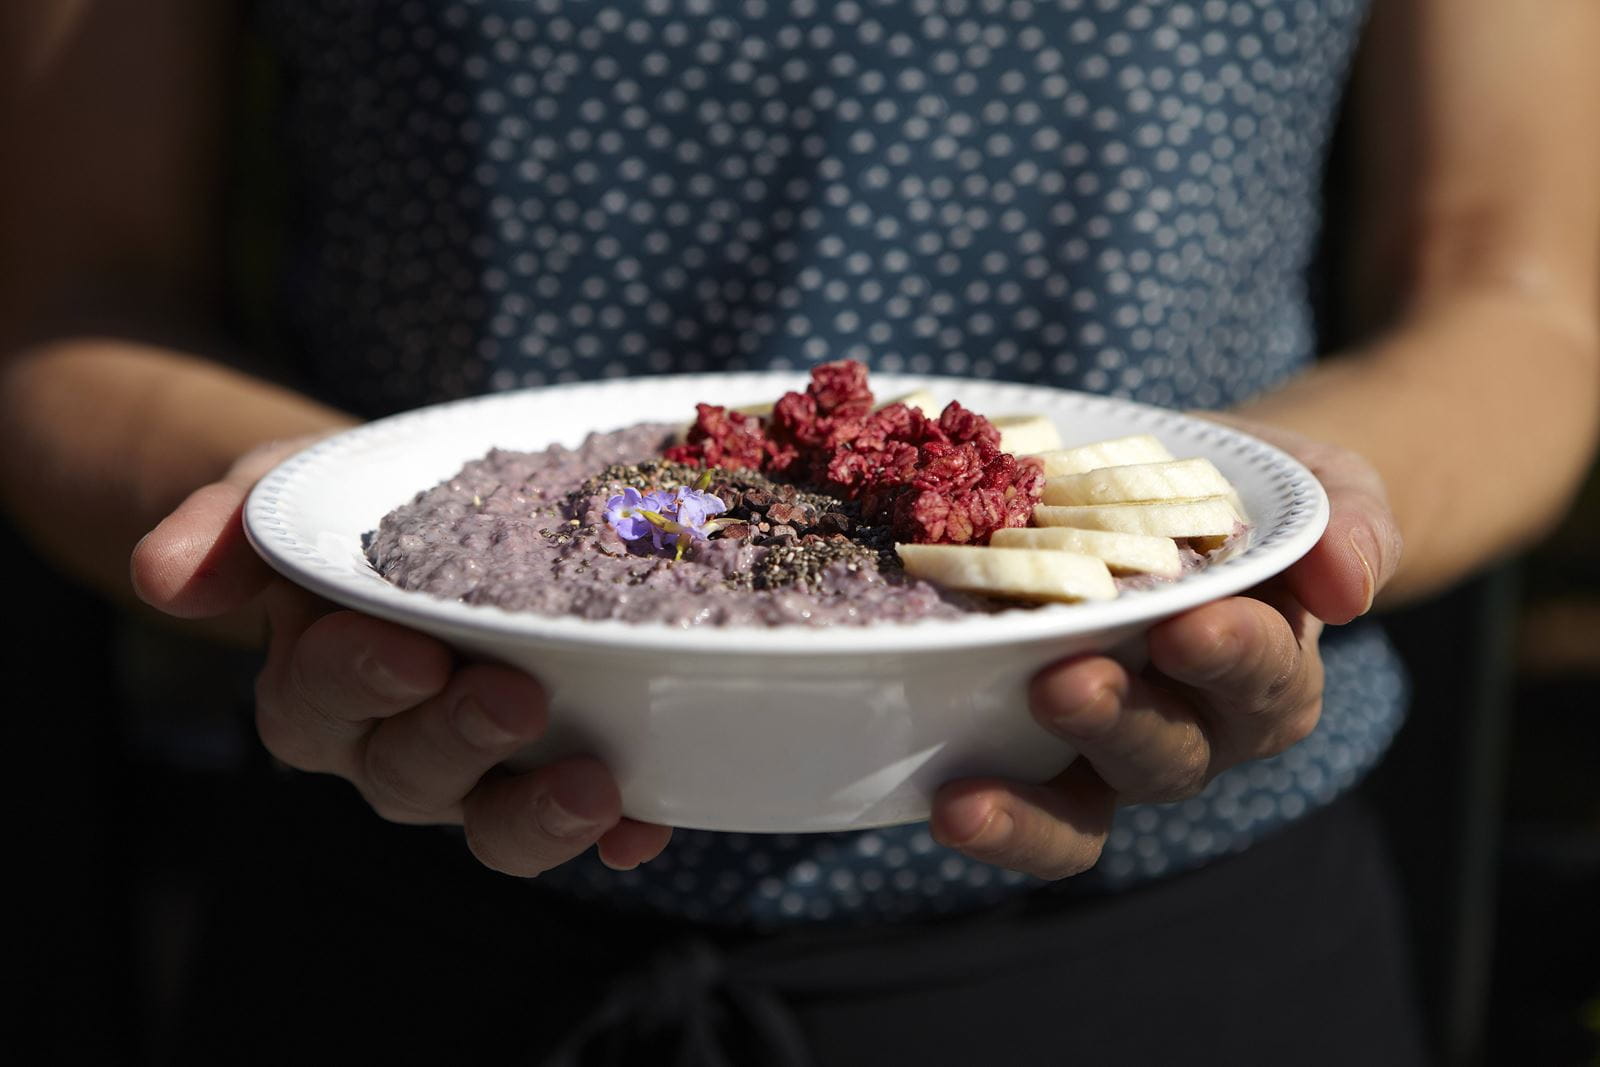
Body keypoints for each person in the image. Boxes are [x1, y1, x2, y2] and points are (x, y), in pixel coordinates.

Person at [3, 0, 1597, 1063]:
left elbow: (1523, 299)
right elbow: (70, 300)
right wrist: (310, 529)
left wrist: (1298, 515)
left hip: (1173, 944)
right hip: (403, 915)